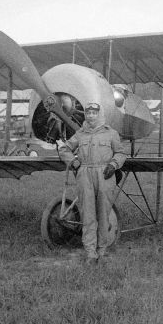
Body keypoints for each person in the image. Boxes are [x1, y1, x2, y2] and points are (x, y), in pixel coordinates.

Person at [58, 103, 126, 264]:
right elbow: (64, 150)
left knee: (103, 213)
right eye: (88, 113)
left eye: (94, 113)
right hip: (85, 175)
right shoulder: (80, 134)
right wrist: (73, 162)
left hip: (105, 174)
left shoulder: (111, 134)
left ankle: (102, 250)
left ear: (99, 114)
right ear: (85, 115)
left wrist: (113, 165)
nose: (91, 116)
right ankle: (90, 253)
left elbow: (121, 153)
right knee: (87, 215)